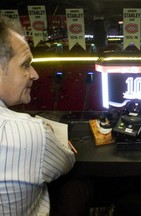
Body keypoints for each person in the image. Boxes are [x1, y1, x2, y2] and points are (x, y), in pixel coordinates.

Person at [0, 16, 93, 215]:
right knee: (78, 185)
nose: (35, 74)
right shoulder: (30, 133)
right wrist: (46, 134)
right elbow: (67, 162)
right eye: (25, 65)